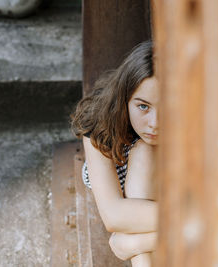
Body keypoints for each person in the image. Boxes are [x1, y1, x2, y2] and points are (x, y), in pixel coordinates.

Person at [70, 40, 158, 267]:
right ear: (124, 98)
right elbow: (114, 216)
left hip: (162, 199)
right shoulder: (101, 119)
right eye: (143, 106)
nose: (155, 124)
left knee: (144, 152)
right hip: (167, 216)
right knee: (142, 151)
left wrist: (134, 244)